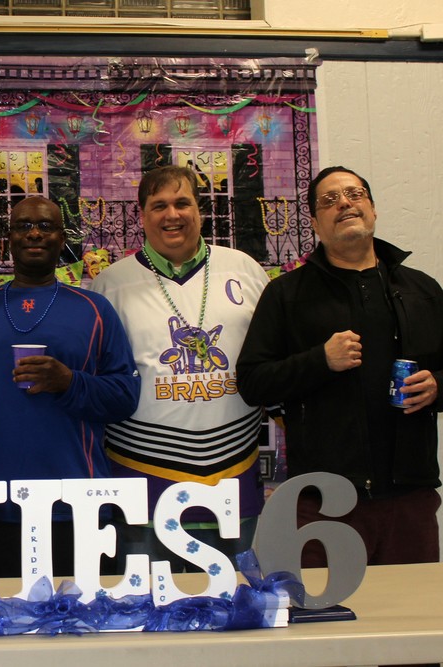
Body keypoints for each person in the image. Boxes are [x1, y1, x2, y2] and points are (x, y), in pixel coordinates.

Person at [237, 166, 443, 567]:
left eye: (354, 194)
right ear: (315, 223)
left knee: (413, 608)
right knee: (326, 608)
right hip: (323, 502)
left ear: (373, 209)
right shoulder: (286, 295)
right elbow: (253, 382)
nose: (345, 203)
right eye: (329, 200)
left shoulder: (421, 289)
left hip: (409, 500)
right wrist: (320, 361)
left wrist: (437, 385)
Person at [0, 195, 140, 577]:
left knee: (82, 615)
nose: (34, 234)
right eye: (23, 226)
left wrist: (69, 382)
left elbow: (125, 397)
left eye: (46, 226)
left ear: (62, 238)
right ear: (8, 238)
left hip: (77, 502)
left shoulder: (95, 310)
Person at [92, 165, 269, 572]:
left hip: (234, 471)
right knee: (146, 603)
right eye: (159, 206)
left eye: (182, 203)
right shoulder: (111, 284)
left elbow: (270, 361)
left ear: (199, 211)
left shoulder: (245, 270)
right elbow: (104, 382)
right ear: (142, 215)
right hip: (142, 476)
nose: (172, 214)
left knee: (240, 601)